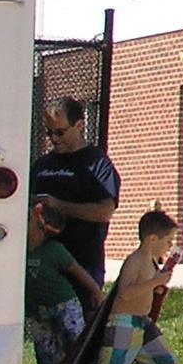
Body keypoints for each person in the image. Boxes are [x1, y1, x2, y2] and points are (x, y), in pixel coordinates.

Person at [69, 210, 183, 364]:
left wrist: (158, 283)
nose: (169, 247)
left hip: (143, 323)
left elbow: (146, 288)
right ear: (152, 239)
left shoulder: (150, 261)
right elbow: (124, 293)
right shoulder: (136, 260)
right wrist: (153, 282)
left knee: (169, 363)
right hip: (123, 323)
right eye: (167, 241)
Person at [30, 97, 120, 285]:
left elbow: (105, 211)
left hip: (83, 264)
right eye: (49, 133)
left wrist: (58, 205)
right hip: (42, 260)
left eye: (60, 132)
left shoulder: (97, 163)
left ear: (79, 125)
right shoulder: (41, 165)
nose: (54, 139)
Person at [25, 202, 100, 364]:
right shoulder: (19, 251)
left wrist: (96, 291)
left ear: (42, 228)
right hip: (37, 311)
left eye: (28, 219)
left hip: (64, 306)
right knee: (46, 357)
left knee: (76, 349)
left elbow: (78, 271)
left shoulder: (55, 251)